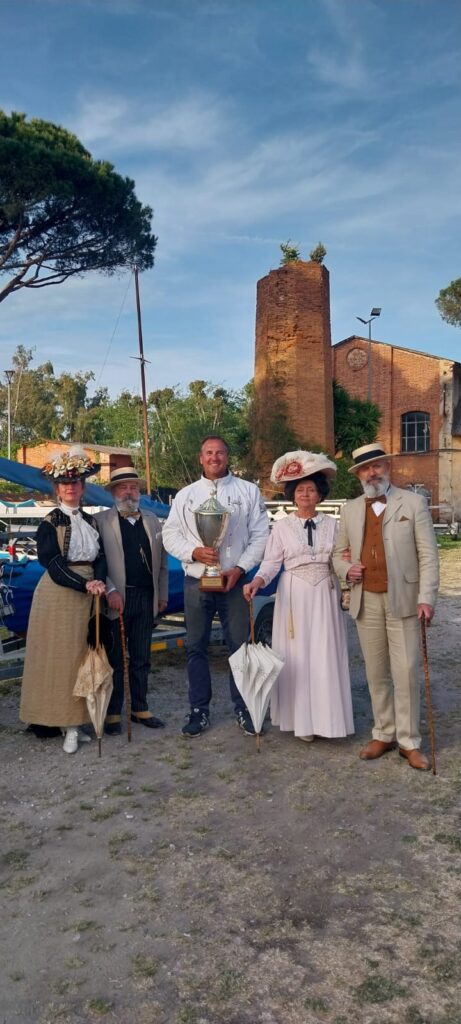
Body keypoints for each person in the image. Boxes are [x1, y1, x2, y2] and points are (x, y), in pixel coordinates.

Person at [332, 442, 439, 771]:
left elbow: (428, 556)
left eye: (377, 465)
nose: (372, 472)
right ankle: (384, 733)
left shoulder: (413, 503)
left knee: (406, 672)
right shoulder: (350, 510)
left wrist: (426, 597)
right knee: (376, 672)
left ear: (387, 467)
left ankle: (409, 741)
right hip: (366, 600)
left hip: (404, 600)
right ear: (358, 475)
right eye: (365, 469)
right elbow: (338, 553)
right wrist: (346, 569)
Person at [244, 450, 354, 743]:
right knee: (298, 656)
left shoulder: (333, 525)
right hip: (294, 597)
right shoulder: (281, 527)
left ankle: (328, 721)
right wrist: (257, 581)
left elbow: (341, 558)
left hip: (325, 594)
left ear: (320, 494)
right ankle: (302, 722)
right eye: (301, 489)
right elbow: (271, 563)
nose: (306, 494)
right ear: (292, 494)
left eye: (312, 489)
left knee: (325, 653)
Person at [162, 435, 269, 737]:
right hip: (197, 580)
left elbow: (260, 535)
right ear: (200, 458)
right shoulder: (185, 495)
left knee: (240, 646)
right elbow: (170, 534)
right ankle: (199, 710)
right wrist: (194, 552)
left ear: (227, 457)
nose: (214, 458)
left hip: (234, 581)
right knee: (196, 646)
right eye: (208, 453)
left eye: (220, 453)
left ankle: (244, 708)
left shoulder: (248, 491)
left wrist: (241, 568)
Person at [19, 446, 106, 754]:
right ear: (57, 489)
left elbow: (101, 557)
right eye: (65, 483)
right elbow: (53, 564)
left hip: (89, 593)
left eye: (76, 482)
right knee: (62, 659)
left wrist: (99, 581)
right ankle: (66, 724)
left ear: (83, 487)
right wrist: (85, 584)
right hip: (59, 595)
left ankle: (79, 720)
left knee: (84, 656)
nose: (70, 487)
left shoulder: (91, 522)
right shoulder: (49, 522)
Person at [96, 467, 168, 735]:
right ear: (114, 492)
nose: (129, 492)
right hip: (117, 598)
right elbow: (96, 562)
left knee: (141, 657)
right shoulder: (100, 521)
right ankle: (113, 712)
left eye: (133, 487)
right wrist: (110, 590)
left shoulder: (152, 520)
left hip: (146, 596)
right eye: (123, 487)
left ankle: (140, 707)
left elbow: (162, 562)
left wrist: (162, 594)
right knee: (115, 658)